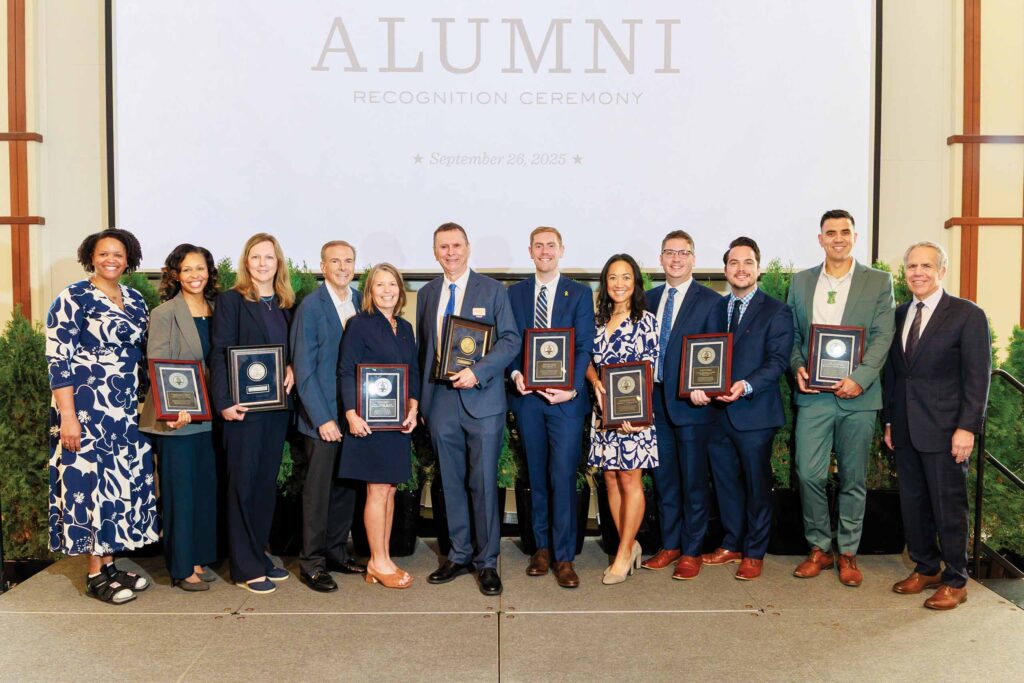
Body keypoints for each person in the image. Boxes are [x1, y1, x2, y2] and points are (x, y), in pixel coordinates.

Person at [46, 228, 158, 604]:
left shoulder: (136, 299)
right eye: (104, 253)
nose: (112, 259)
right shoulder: (73, 298)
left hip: (125, 411)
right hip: (87, 410)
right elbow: (58, 361)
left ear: (129, 260)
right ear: (90, 257)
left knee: (118, 487)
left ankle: (109, 564)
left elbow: (144, 357)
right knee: (92, 489)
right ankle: (95, 573)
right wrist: (68, 417)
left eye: (119, 254)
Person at [787, 210, 895, 586]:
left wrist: (861, 379)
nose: (837, 238)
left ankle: (848, 552)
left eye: (844, 232)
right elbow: (795, 335)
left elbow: (883, 336)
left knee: (853, 478)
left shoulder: (879, 282)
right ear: (820, 239)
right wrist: (799, 365)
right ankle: (819, 546)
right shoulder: (800, 282)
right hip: (814, 397)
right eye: (830, 232)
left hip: (858, 397)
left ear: (855, 236)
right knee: (808, 473)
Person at [883, 242, 990, 610]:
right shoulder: (898, 314)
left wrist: (968, 428)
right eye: (912, 266)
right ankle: (926, 567)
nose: (918, 272)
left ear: (942, 271)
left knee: (948, 507)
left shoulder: (966, 314)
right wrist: (890, 421)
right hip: (907, 429)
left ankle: (956, 578)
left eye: (926, 266)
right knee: (914, 504)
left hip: (947, 431)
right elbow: (896, 376)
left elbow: (978, 379)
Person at [417, 222, 520, 596]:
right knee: (450, 482)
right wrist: (423, 403)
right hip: (441, 402)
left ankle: (487, 561)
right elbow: (424, 349)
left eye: (456, 245)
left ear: (468, 247)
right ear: (434, 251)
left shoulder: (492, 290)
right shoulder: (428, 293)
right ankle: (458, 555)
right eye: (443, 246)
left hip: (483, 401)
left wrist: (477, 372)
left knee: (482, 483)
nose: (450, 252)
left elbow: (510, 340)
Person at [692, 237, 793, 580]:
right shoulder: (715, 309)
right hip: (717, 414)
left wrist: (745, 385)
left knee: (755, 484)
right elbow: (703, 356)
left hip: (754, 414)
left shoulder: (776, 310)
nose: (741, 269)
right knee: (724, 483)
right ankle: (732, 543)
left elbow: (778, 361)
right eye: (734, 263)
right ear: (725, 269)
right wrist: (698, 386)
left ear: (758, 268)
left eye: (748, 262)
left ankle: (754, 551)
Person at [507, 227, 594, 588]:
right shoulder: (515, 294)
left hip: (566, 404)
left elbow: (584, 347)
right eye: (538, 246)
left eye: (551, 246)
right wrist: (514, 374)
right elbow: (509, 341)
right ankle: (540, 549)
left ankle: (564, 557)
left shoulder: (580, 293)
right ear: (530, 251)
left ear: (562, 250)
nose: (544, 251)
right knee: (536, 476)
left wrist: (571, 390)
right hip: (529, 401)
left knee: (562, 476)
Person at [210, 233, 296, 594]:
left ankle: (259, 556)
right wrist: (225, 401)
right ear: (246, 262)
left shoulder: (284, 304)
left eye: (269, 258)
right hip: (243, 411)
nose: (263, 264)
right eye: (256, 257)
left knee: (264, 486)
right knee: (242, 485)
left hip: (275, 409)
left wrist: (291, 367)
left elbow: (286, 350)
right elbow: (218, 352)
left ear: (279, 264)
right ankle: (244, 567)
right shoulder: (231, 301)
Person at [139, 244, 220, 591]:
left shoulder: (218, 311)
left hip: (211, 416)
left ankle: (198, 559)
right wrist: (173, 409)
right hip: (178, 418)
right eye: (187, 269)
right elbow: (157, 364)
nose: (195, 275)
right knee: (179, 493)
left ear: (209, 272)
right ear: (175, 274)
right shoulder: (164, 313)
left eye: (200, 268)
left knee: (203, 490)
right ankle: (181, 566)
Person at [642, 230, 719, 580]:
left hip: (692, 403)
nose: (676, 259)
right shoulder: (648, 298)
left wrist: (710, 387)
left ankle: (691, 550)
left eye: (683, 253)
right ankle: (670, 544)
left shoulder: (711, 300)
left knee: (693, 481)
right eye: (669, 252)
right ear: (660, 258)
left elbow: (717, 353)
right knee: (664, 479)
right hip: (654, 401)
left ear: (693, 258)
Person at [339, 263, 421, 589]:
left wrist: (414, 406)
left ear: (400, 290)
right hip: (368, 423)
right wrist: (350, 413)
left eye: (392, 285)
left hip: (398, 423)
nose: (387, 290)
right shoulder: (358, 325)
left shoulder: (405, 327)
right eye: (379, 285)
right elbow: (346, 370)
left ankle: (383, 558)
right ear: (370, 292)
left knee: (389, 489)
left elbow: (411, 370)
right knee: (376, 490)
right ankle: (377, 560)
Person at [290, 240, 364, 593]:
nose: (342, 266)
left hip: (352, 414)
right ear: (323, 267)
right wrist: (322, 418)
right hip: (322, 418)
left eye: (348, 261)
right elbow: (303, 368)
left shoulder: (361, 299)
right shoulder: (312, 307)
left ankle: (336, 551)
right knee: (318, 493)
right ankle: (312, 563)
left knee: (345, 488)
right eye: (335, 261)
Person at [586, 253, 659, 585]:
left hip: (634, 416)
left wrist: (640, 414)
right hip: (603, 413)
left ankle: (623, 553)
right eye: (613, 277)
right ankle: (628, 546)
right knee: (611, 478)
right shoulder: (596, 320)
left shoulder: (646, 321)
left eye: (626, 277)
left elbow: (651, 370)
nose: (619, 284)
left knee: (630, 478)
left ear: (636, 283)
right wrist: (595, 381)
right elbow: (585, 359)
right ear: (605, 283)